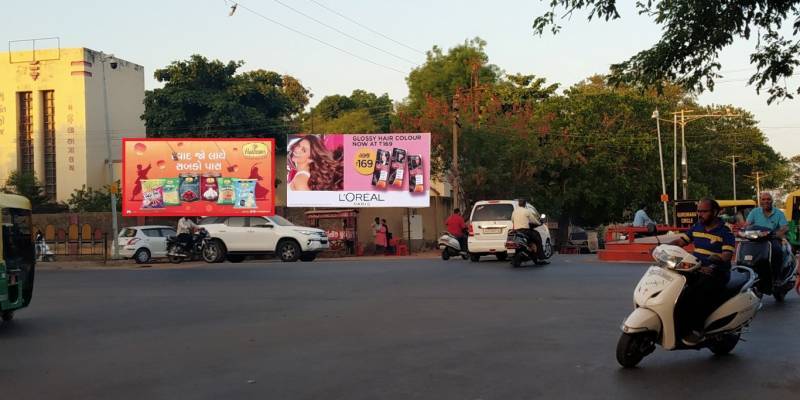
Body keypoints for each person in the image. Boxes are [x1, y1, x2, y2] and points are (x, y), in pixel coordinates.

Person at [670, 198, 735, 345]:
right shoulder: (696, 226)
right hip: (696, 268)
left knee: (694, 293)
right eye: (699, 211)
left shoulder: (725, 231)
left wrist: (715, 260)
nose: (700, 214)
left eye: (704, 211)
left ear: (715, 212)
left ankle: (697, 329)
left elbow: (727, 255)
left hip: (716, 272)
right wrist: (663, 247)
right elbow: (681, 242)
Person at [745, 192, 789, 281]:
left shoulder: (779, 213)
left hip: (772, 238)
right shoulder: (754, 212)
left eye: (768, 199)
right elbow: (747, 225)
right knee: (746, 250)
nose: (766, 201)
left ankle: (777, 276)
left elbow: (784, 227)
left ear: (772, 201)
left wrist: (777, 233)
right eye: (763, 199)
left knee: (777, 251)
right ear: (760, 201)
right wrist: (744, 230)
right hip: (757, 239)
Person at [511, 199, 546, 264]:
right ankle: (540, 257)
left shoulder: (514, 212)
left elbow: (512, 220)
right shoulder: (527, 211)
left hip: (516, 231)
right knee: (538, 238)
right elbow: (534, 221)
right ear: (525, 204)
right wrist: (539, 222)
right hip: (525, 231)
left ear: (519, 204)